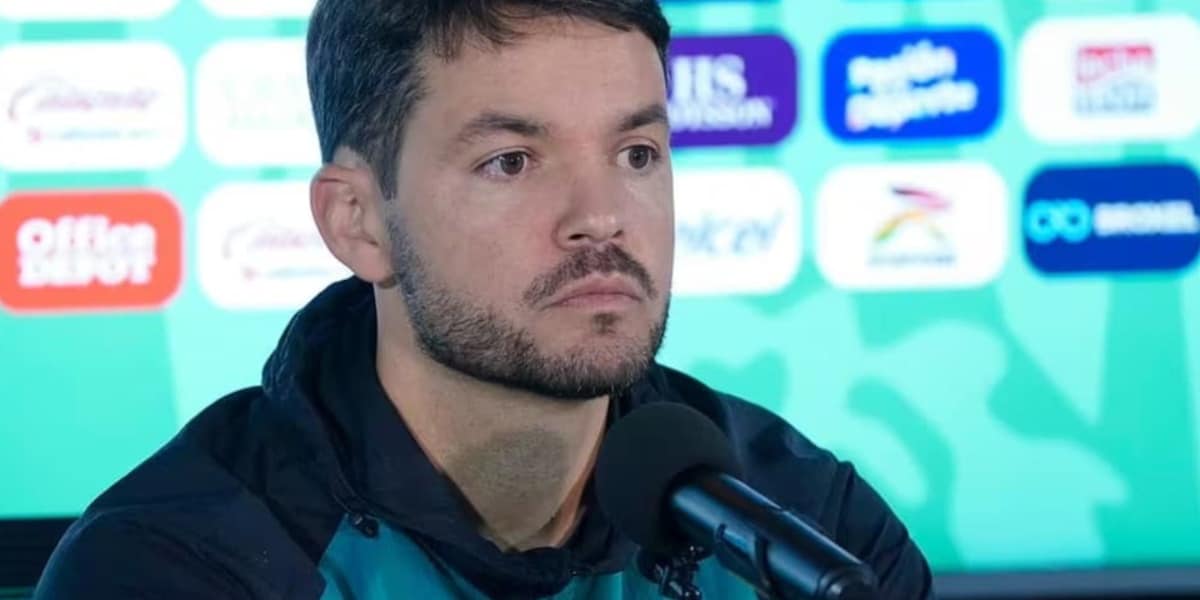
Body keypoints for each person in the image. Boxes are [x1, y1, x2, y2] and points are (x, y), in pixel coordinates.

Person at [35, 1, 934, 598]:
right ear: (357, 223)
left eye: (636, 155)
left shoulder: (810, 530)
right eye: (512, 161)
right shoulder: (176, 568)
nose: (601, 219)